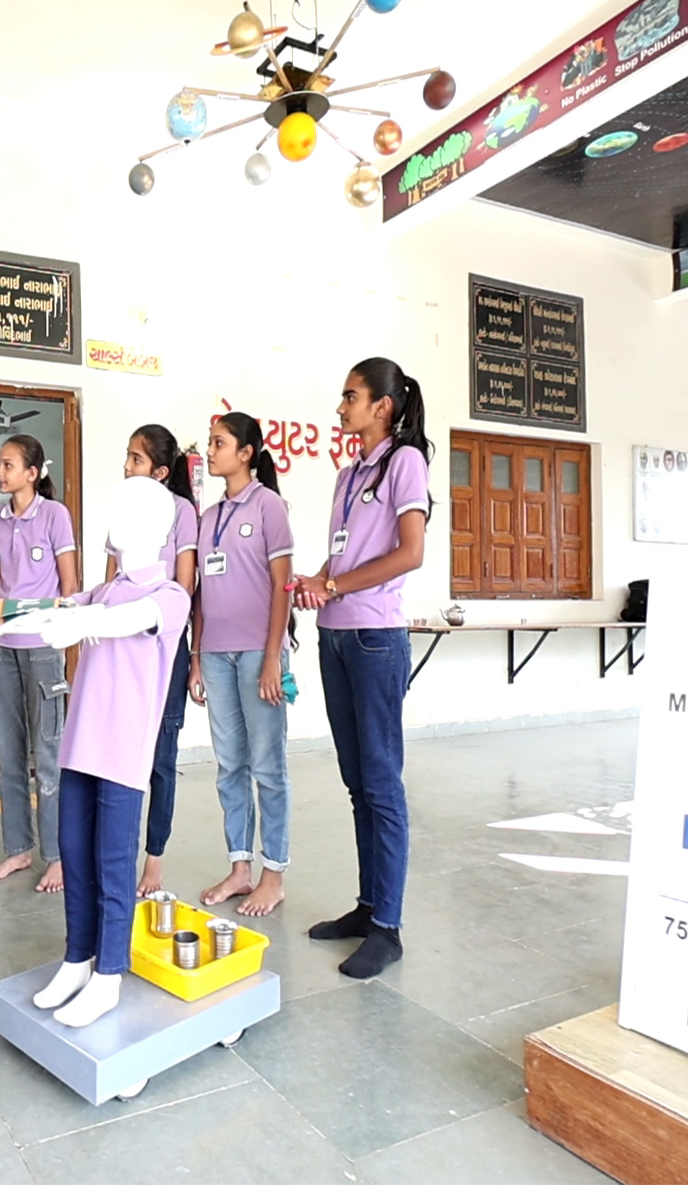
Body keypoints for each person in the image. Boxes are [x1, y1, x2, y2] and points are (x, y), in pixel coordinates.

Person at [30, 476, 190, 1027]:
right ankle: (78, 957)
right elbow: (56, 610)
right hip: (80, 745)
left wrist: (79, 621)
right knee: (73, 852)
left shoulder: (168, 597)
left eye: (127, 505)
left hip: (121, 753)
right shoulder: (104, 589)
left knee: (114, 862)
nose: (113, 514)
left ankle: (108, 973)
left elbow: (125, 622)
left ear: (158, 524)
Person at [292, 357, 433, 979]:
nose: (341, 407)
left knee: (381, 781)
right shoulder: (350, 473)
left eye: (350, 396)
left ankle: (389, 928)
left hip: (375, 637)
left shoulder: (406, 461)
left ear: (383, 405)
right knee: (356, 782)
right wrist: (318, 582)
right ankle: (367, 905)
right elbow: (345, 552)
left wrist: (338, 583)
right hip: (336, 636)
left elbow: (410, 553)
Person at [189, 411, 293, 918]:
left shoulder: (270, 506)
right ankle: (239, 867)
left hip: (258, 654)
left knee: (267, 768)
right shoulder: (208, 517)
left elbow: (283, 587)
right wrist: (195, 658)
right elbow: (201, 594)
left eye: (219, 443)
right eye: (209, 443)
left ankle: (273, 875)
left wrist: (273, 658)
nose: (210, 452)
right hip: (215, 655)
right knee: (230, 766)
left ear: (246, 452)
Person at [0, 434, 78, 893]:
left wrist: (62, 639)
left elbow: (69, 585)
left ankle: (57, 856)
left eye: (8, 465)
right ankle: (18, 848)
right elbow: (1, 586)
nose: (0, 473)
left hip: (43, 648)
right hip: (3, 647)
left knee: (50, 756)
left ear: (32, 473)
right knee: (9, 753)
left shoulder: (55, 516)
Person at [103, 425, 197, 898]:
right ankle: (115, 852)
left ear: (160, 472)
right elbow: (108, 582)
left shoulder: (181, 512)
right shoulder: (122, 507)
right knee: (118, 754)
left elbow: (182, 586)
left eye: (136, 460)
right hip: (119, 647)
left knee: (160, 759)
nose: (126, 467)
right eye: (127, 457)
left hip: (163, 648)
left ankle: (153, 861)